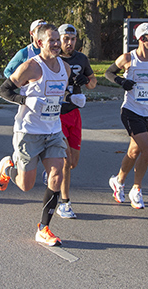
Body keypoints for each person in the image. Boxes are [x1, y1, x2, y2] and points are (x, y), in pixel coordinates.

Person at [0, 23, 70, 246]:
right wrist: (26, 100)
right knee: (26, 185)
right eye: (52, 40)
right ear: (39, 43)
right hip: (28, 132)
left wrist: (72, 102)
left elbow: (57, 100)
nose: (57, 44)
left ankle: (44, 228)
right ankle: (8, 166)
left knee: (57, 175)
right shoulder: (31, 67)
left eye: (58, 39)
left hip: (53, 131)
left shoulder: (65, 68)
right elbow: (3, 91)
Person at [104, 22, 148, 209]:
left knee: (134, 151)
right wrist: (121, 81)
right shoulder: (128, 58)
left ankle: (118, 181)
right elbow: (108, 72)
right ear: (142, 39)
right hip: (131, 111)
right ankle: (137, 189)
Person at [56, 23, 97, 219]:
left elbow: (93, 82)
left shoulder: (81, 58)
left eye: (73, 39)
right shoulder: (53, 58)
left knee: (73, 163)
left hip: (75, 113)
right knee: (65, 161)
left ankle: (51, 168)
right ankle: (64, 203)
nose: (69, 43)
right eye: (66, 39)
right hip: (56, 114)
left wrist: (85, 80)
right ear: (59, 39)